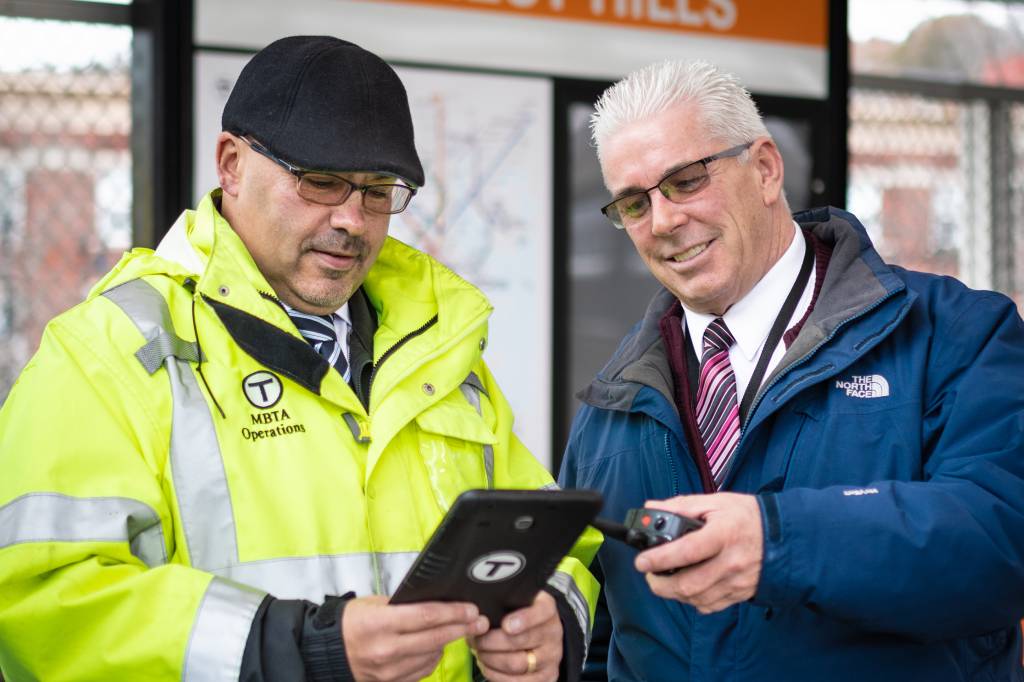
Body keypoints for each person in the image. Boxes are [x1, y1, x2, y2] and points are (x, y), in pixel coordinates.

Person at [0, 36, 599, 681]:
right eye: (320, 182)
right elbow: (42, 602)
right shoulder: (108, 350)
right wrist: (303, 650)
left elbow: (553, 541)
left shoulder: (441, 352)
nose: (353, 220)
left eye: (378, 192)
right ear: (231, 165)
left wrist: (550, 622)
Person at [558, 59, 1024, 680]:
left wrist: (780, 540)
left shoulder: (955, 333)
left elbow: (1002, 537)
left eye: (686, 181)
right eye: (634, 203)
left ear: (766, 169)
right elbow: (597, 635)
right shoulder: (611, 403)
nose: (664, 221)